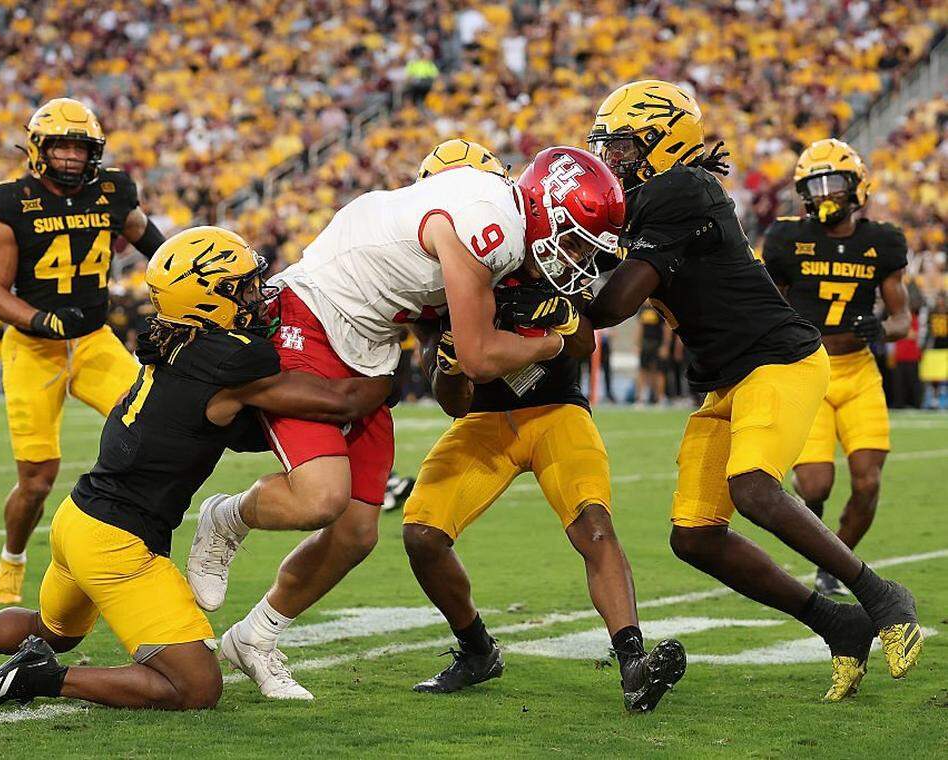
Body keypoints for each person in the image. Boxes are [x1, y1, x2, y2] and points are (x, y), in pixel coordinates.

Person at [0, 226, 390, 711]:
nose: (255, 293)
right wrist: (397, 350)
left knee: (49, 630)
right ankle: (42, 679)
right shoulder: (231, 359)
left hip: (79, 520)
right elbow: (343, 400)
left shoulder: (175, 343)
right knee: (196, 687)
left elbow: (231, 428)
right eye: (240, 285)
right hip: (122, 541)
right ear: (206, 299)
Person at [188, 143, 614, 700]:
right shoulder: (490, 226)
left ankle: (258, 636)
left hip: (370, 347)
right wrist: (553, 343)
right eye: (579, 239)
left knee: (357, 531)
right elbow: (480, 355)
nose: (577, 258)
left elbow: (453, 370)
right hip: (314, 318)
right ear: (549, 213)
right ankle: (227, 518)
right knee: (320, 498)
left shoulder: (487, 211)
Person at [584, 80, 923, 701]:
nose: (614, 161)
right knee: (693, 536)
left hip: (778, 360)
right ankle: (838, 623)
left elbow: (616, 303)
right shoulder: (652, 197)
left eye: (626, 147)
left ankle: (880, 595)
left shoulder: (682, 188)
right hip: (724, 381)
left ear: (664, 141)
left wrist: (557, 290)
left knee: (752, 487)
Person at [403, 268, 686, 712]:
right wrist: (450, 364)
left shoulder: (555, 266)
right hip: (482, 421)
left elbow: (584, 343)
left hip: (557, 411)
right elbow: (452, 403)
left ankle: (634, 664)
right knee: (422, 534)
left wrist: (567, 318)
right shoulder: (440, 285)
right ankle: (478, 651)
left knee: (593, 525)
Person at [0, 98, 166, 605]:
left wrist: (188, 273)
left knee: (151, 423)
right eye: (60, 145)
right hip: (32, 349)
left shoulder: (112, 190)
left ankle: (125, 538)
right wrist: (38, 319)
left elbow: (155, 245)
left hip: (92, 341)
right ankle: (12, 560)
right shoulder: (10, 201)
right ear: (38, 149)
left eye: (79, 147)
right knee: (38, 479)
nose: (69, 157)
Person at [762, 139, 911, 595]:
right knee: (816, 486)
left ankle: (836, 563)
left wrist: (879, 329)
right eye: (816, 185)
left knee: (867, 483)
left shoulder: (881, 241)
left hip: (859, 373)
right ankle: (822, 536)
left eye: (834, 184)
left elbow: (902, 320)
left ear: (857, 187)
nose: (825, 194)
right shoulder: (788, 238)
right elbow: (767, 304)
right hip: (809, 371)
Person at [919, 291, 948, 407]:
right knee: (934, 375)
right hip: (935, 347)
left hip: (946, 346)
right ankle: (934, 400)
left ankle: (942, 399)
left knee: (945, 374)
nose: (940, 302)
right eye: (938, 299)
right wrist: (924, 346)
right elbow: (927, 330)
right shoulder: (931, 313)